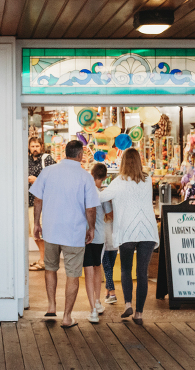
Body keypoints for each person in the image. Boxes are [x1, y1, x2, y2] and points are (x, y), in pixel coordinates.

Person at [31, 140, 99, 328]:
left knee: (50, 268)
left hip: (51, 231)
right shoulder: (85, 177)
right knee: (72, 274)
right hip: (74, 233)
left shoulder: (48, 172)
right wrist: (91, 228)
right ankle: (67, 317)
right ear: (80, 155)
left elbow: (37, 200)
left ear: (65, 153)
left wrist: (36, 223)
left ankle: (51, 306)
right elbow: (91, 208)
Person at [99, 148, 159, 325]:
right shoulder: (147, 180)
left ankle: (128, 304)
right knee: (142, 272)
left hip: (127, 230)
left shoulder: (119, 182)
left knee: (126, 268)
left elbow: (101, 197)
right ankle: (139, 313)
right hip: (147, 231)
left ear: (123, 162)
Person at [84, 163, 112, 323]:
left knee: (88, 270)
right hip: (98, 236)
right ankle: (97, 302)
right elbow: (110, 215)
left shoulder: (85, 191)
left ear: (91, 173)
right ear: (105, 177)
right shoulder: (102, 195)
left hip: (83, 236)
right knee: (97, 268)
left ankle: (93, 310)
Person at [27, 137, 55, 271]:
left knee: (40, 232)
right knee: (34, 233)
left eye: (37, 146)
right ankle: (42, 258)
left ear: (41, 146)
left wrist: (36, 180)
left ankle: (43, 261)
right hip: (29, 201)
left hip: (42, 203)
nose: (35, 149)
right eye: (32, 146)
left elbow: (54, 179)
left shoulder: (47, 159)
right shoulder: (26, 160)